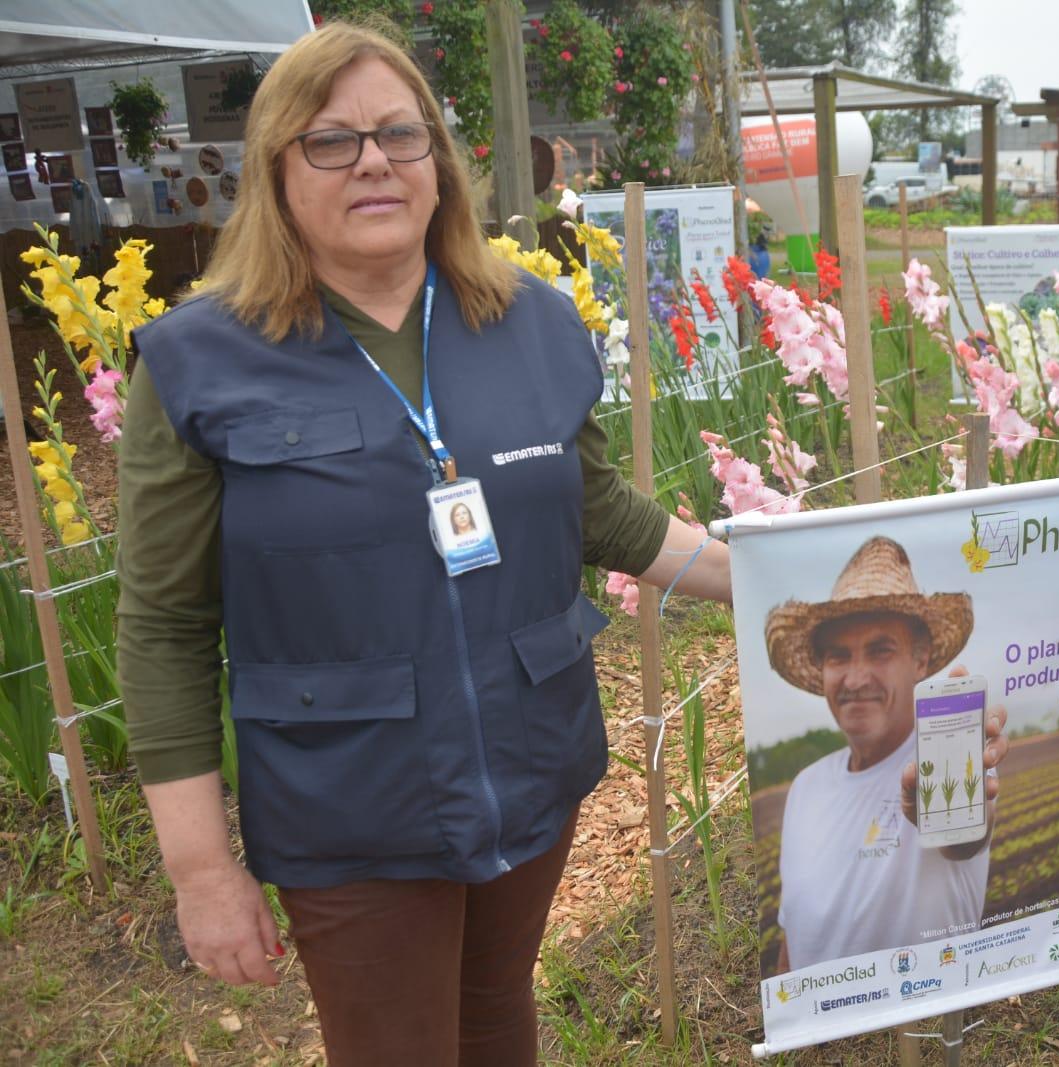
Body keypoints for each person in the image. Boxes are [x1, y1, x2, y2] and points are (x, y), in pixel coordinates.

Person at [115, 23, 730, 1067]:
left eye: (402, 135)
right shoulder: (198, 362)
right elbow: (164, 624)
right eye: (332, 141)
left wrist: (795, 572)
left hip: (531, 756)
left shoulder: (529, 318)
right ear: (277, 167)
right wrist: (199, 868)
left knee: (495, 1015)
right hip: (350, 791)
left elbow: (596, 512)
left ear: (439, 163)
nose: (373, 161)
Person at [763, 536, 1007, 972]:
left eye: (880, 651)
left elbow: (963, 839)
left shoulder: (942, 758)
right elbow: (792, 940)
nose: (855, 678)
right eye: (839, 656)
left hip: (916, 1033)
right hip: (819, 1034)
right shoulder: (805, 787)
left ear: (921, 660)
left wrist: (945, 803)